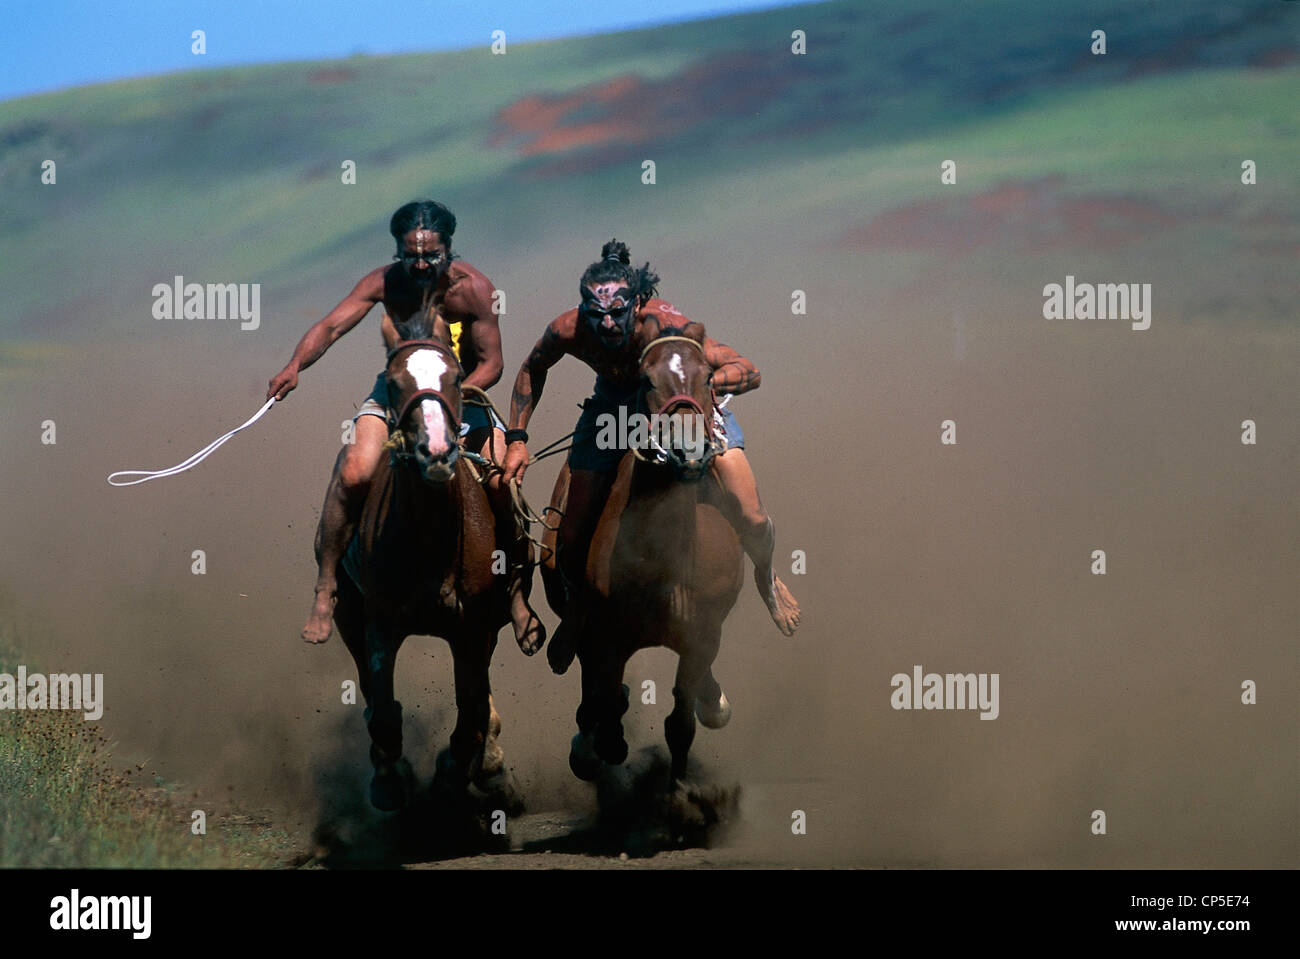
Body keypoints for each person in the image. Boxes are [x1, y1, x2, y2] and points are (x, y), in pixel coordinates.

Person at [500, 240, 800, 666]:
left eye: (617, 313)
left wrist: (707, 388)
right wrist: (516, 438)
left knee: (750, 515)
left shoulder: (668, 328)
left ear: (637, 305)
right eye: (595, 313)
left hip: (681, 405)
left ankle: (765, 578)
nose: (606, 324)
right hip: (610, 413)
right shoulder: (569, 329)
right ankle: (579, 609)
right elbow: (533, 366)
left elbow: (746, 368)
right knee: (570, 534)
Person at [267, 200, 543, 650]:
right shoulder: (385, 282)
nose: (419, 263)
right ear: (397, 250)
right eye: (409, 254)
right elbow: (332, 326)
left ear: (448, 249)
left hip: (462, 393)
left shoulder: (474, 290)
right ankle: (327, 585)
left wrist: (448, 397)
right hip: (399, 394)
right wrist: (295, 364)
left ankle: (513, 592)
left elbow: (493, 363)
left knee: (499, 479)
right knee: (355, 469)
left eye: (430, 255)